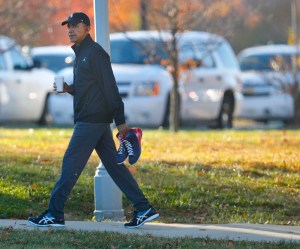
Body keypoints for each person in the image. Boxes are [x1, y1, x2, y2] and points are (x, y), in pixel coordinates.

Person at [28, 12, 159, 229]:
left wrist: (121, 121)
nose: (70, 29)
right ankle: (143, 207)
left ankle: (54, 213)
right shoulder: (81, 54)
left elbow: (110, 87)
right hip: (93, 120)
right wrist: (70, 89)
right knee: (115, 167)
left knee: (70, 163)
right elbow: (89, 89)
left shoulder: (95, 53)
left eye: (75, 25)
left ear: (87, 28)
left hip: (91, 121)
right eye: (68, 26)